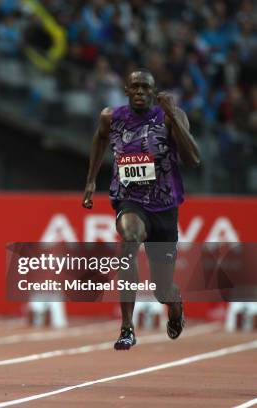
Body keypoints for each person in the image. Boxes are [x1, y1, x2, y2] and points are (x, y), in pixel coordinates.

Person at [82, 69, 200, 350]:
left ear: (154, 92)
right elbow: (99, 139)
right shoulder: (112, 117)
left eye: (146, 88)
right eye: (135, 87)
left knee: (162, 289)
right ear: (126, 90)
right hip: (130, 199)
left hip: (165, 207)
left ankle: (175, 304)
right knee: (129, 240)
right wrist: (90, 181)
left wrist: (173, 115)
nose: (140, 92)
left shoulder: (171, 116)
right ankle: (127, 328)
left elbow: (193, 158)